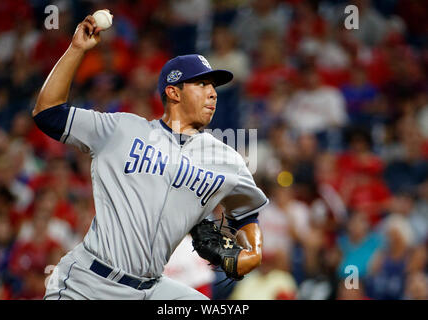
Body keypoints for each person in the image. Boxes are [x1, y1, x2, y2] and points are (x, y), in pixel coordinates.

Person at [32, 13, 268, 300]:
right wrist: (77, 50)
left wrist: (252, 254)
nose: (212, 93)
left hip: (150, 289)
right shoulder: (121, 129)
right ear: (173, 92)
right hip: (88, 281)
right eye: (202, 84)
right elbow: (48, 114)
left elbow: (246, 212)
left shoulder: (227, 160)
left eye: (213, 87)